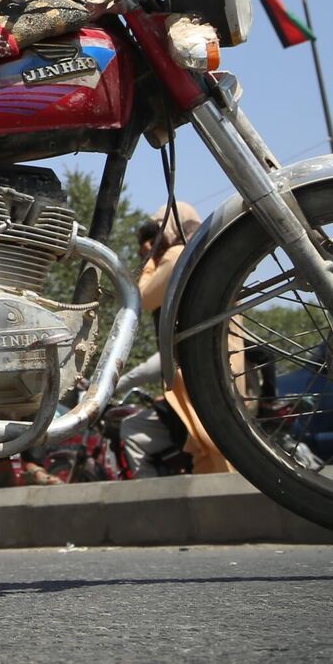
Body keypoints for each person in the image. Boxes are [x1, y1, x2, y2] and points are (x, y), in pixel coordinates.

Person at [119, 202, 235, 478]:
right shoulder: (209, 251)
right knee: (216, 444)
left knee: (206, 446)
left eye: (155, 232)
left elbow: (142, 298)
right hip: (222, 361)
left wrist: (148, 261)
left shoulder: (178, 254)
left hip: (197, 370)